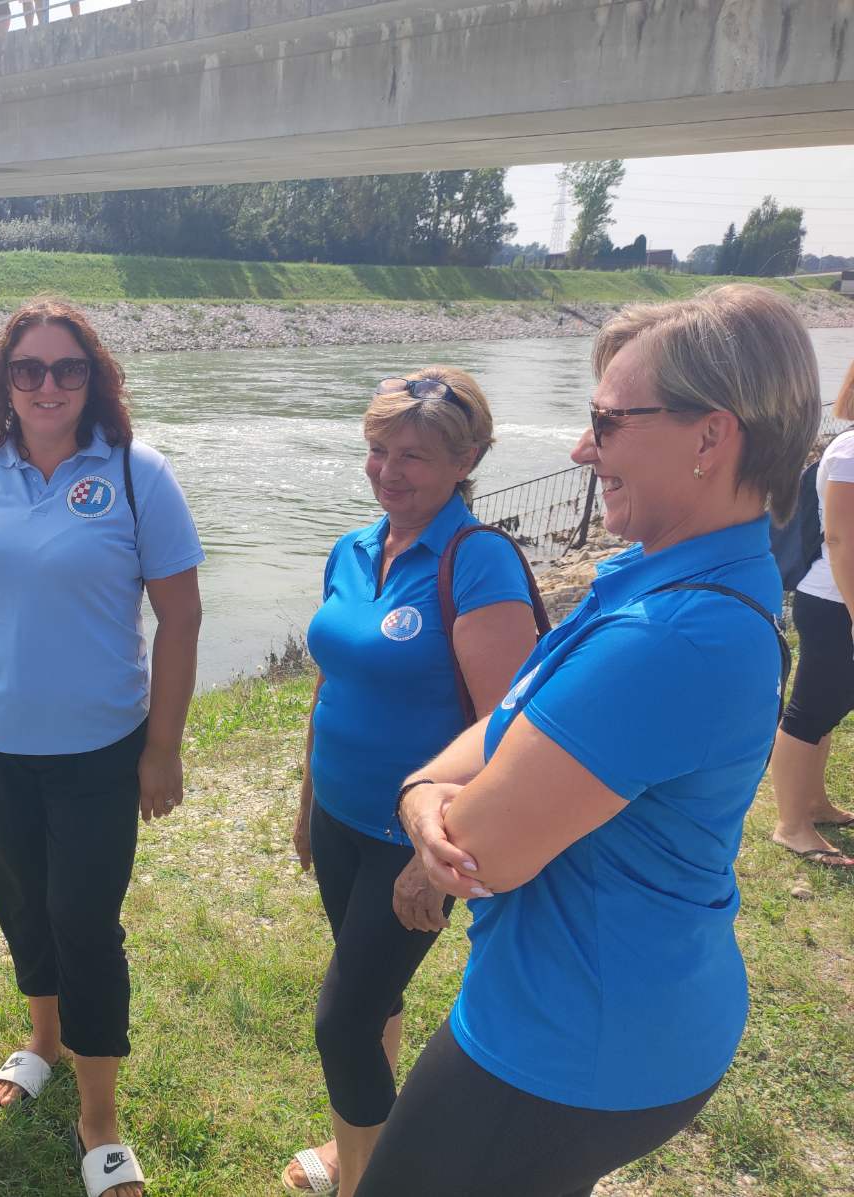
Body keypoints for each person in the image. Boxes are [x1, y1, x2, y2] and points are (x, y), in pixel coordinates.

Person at [383, 284, 819, 1197]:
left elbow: (484, 847)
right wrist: (425, 792)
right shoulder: (660, 577)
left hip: (569, 1042)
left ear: (712, 437)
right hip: (608, 1011)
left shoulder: (670, 637)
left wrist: (431, 811)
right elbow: (512, 724)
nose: (583, 449)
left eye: (607, 422)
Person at [0, 299, 204, 1197]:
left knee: (85, 922)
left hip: (96, 749)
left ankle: (100, 1117)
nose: (47, 385)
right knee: (22, 905)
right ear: (4, 381)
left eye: (67, 368)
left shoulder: (135, 473)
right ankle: (41, 1039)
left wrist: (163, 745)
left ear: (96, 380)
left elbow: (183, 616)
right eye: (28, 369)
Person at [283, 368, 541, 1196]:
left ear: (466, 459)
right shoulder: (354, 548)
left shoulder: (478, 561)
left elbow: (511, 732)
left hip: (416, 837)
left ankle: (367, 1180)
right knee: (375, 1000)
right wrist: (307, 798)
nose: (388, 470)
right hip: (340, 816)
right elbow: (332, 683)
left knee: (343, 1019)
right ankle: (357, 1144)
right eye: (377, 450)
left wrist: (434, 855)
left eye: (414, 457)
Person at [767, 357, 854, 870]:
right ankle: (790, 825)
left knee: (831, 704)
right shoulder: (848, 452)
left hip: (841, 599)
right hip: (832, 600)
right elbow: (841, 540)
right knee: (810, 709)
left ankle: (813, 803)